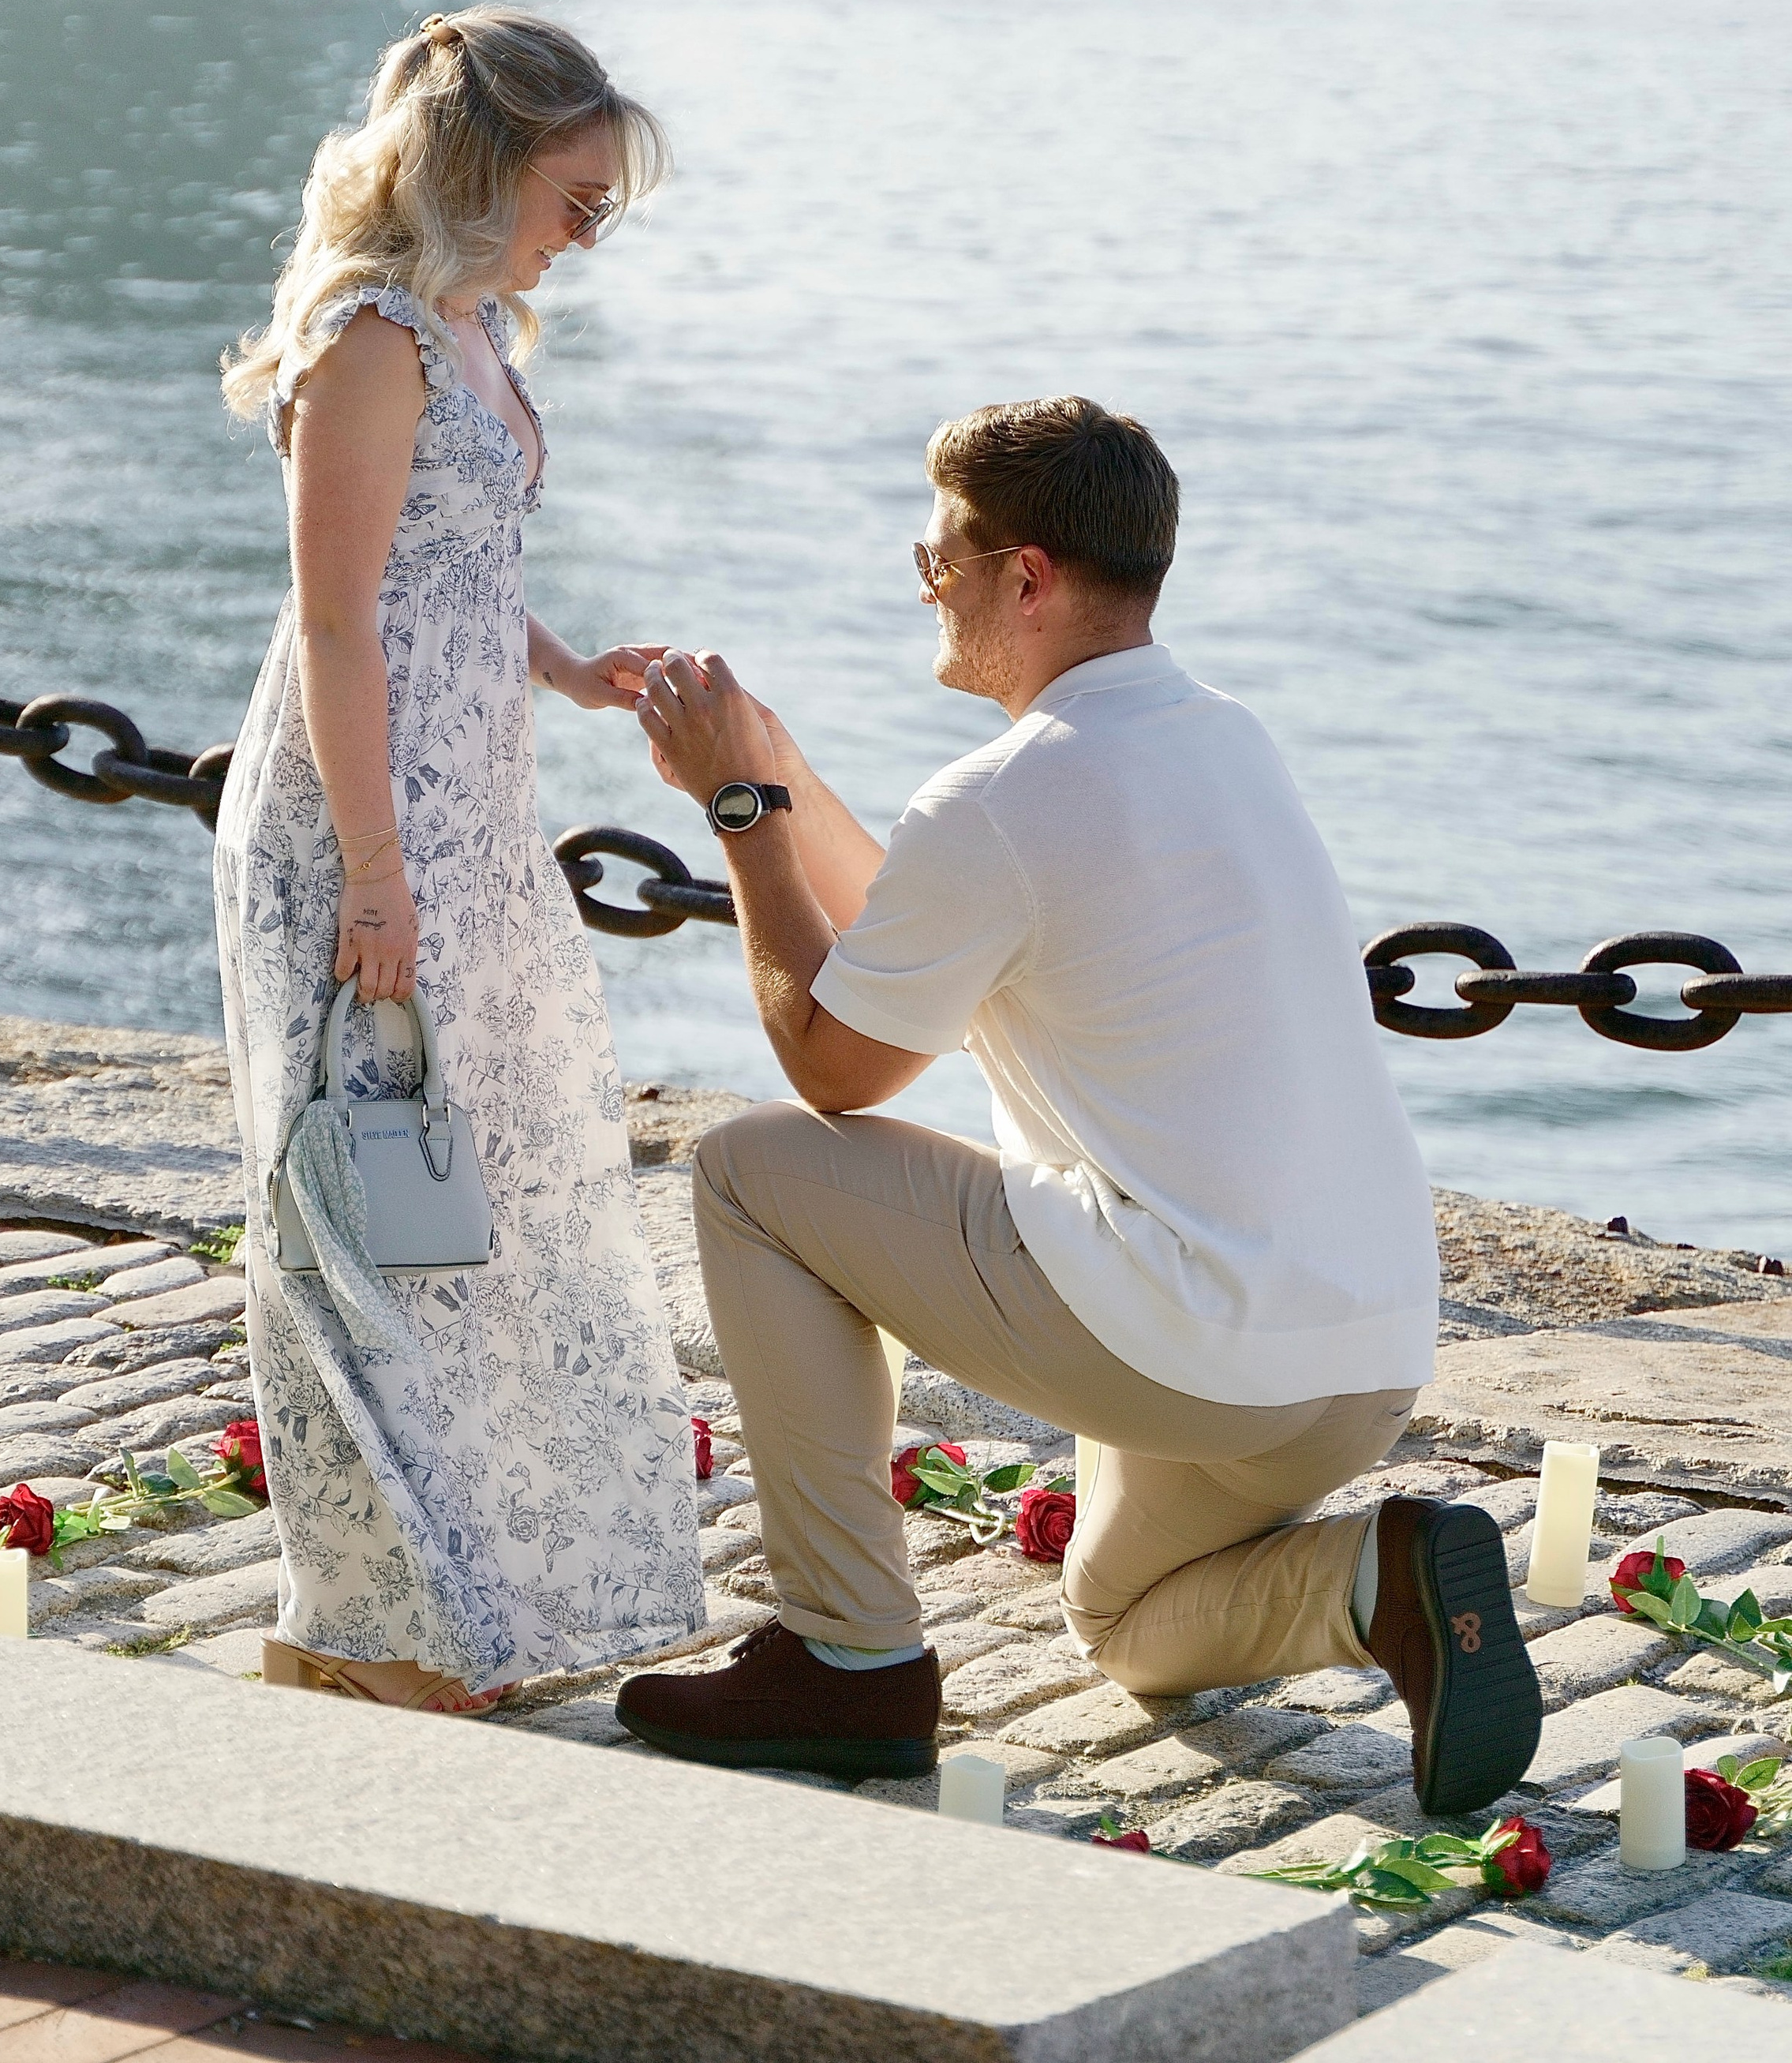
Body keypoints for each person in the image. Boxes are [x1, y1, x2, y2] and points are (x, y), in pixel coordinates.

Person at [617, 396, 1541, 1814]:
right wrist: (785, 772)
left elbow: (833, 1063)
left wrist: (740, 817)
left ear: (1025, 574)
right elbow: (914, 941)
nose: (925, 584)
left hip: (1192, 1345)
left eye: (939, 561)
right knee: (1120, 1620)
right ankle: (1381, 1577)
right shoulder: (1224, 736)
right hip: (1358, 1354)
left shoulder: (1006, 796)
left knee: (752, 1169)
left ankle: (847, 1655)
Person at [214, 8, 705, 1715]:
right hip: (360, 817)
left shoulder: (475, 322)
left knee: (465, 1207)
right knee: (366, 1212)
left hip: (469, 812)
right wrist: (372, 873)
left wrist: (567, 668)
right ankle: (372, 1628)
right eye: (580, 189)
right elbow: (339, 616)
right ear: (486, 164)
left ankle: (409, 1618)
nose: (596, 224)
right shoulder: (367, 339)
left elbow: (456, 563)